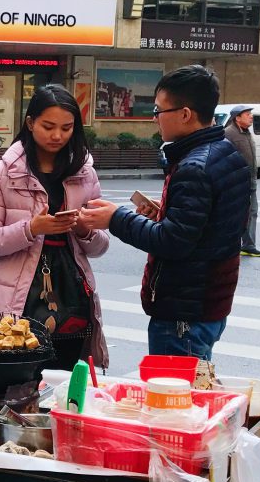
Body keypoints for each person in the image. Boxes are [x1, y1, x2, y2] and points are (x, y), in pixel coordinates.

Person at [77, 65, 249, 361]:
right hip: (209, 304)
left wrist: (116, 218)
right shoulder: (225, 152)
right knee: (194, 393)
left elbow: (173, 242)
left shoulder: (194, 168)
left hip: (184, 313)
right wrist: (166, 212)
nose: (155, 119)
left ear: (185, 114)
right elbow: (208, 228)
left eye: (159, 111)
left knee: (174, 402)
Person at [0, 85, 109, 371]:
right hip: (18, 297)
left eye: (67, 127)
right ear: (30, 122)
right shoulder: (4, 172)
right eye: (48, 126)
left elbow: (100, 246)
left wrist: (85, 229)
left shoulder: (84, 173)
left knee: (65, 380)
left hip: (72, 292)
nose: (57, 135)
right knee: (16, 379)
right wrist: (31, 228)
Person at [223, 105, 260, 257]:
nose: (251, 116)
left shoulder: (247, 133)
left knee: (252, 212)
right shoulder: (229, 134)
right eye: (247, 114)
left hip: (250, 181)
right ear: (237, 118)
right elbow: (224, 158)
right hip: (236, 183)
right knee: (236, 214)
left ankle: (248, 245)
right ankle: (230, 244)